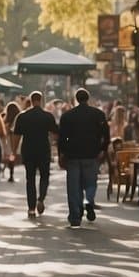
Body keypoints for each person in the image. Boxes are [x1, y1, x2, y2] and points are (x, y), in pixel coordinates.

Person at [57, 88, 110, 228]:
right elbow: (106, 134)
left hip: (73, 155)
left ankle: (75, 216)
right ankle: (89, 201)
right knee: (91, 182)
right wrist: (103, 149)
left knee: (74, 187)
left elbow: (62, 138)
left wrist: (61, 153)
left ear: (76, 99)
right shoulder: (98, 114)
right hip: (92, 154)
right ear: (88, 98)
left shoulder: (67, 116)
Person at [12, 91, 57, 217]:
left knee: (30, 179)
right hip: (43, 150)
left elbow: (16, 135)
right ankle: (41, 199)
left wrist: (14, 151)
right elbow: (55, 134)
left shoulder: (23, 116)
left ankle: (31, 208)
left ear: (31, 100)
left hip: (28, 150)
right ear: (41, 100)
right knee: (44, 176)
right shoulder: (48, 116)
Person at [2, 101, 22, 183]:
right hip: (16, 139)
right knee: (12, 156)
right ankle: (11, 174)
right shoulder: (18, 118)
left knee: (9, 156)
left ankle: (8, 172)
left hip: (8, 140)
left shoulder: (6, 119)